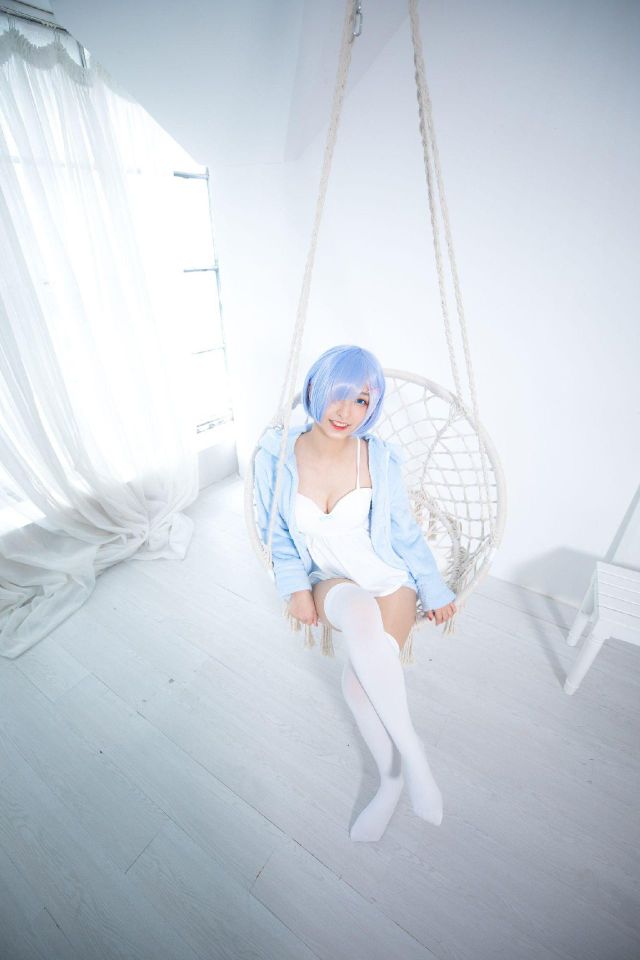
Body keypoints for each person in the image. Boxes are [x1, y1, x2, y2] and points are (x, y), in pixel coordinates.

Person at [254, 344, 456, 842]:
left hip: (388, 578)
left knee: (357, 686)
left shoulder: (377, 458)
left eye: (362, 401)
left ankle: (392, 782)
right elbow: (276, 534)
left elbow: (405, 532)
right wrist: (294, 587)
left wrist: (433, 587)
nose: (346, 412)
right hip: (329, 579)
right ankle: (415, 758)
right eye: (338, 396)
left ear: (373, 406)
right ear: (314, 389)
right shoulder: (274, 455)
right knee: (359, 612)